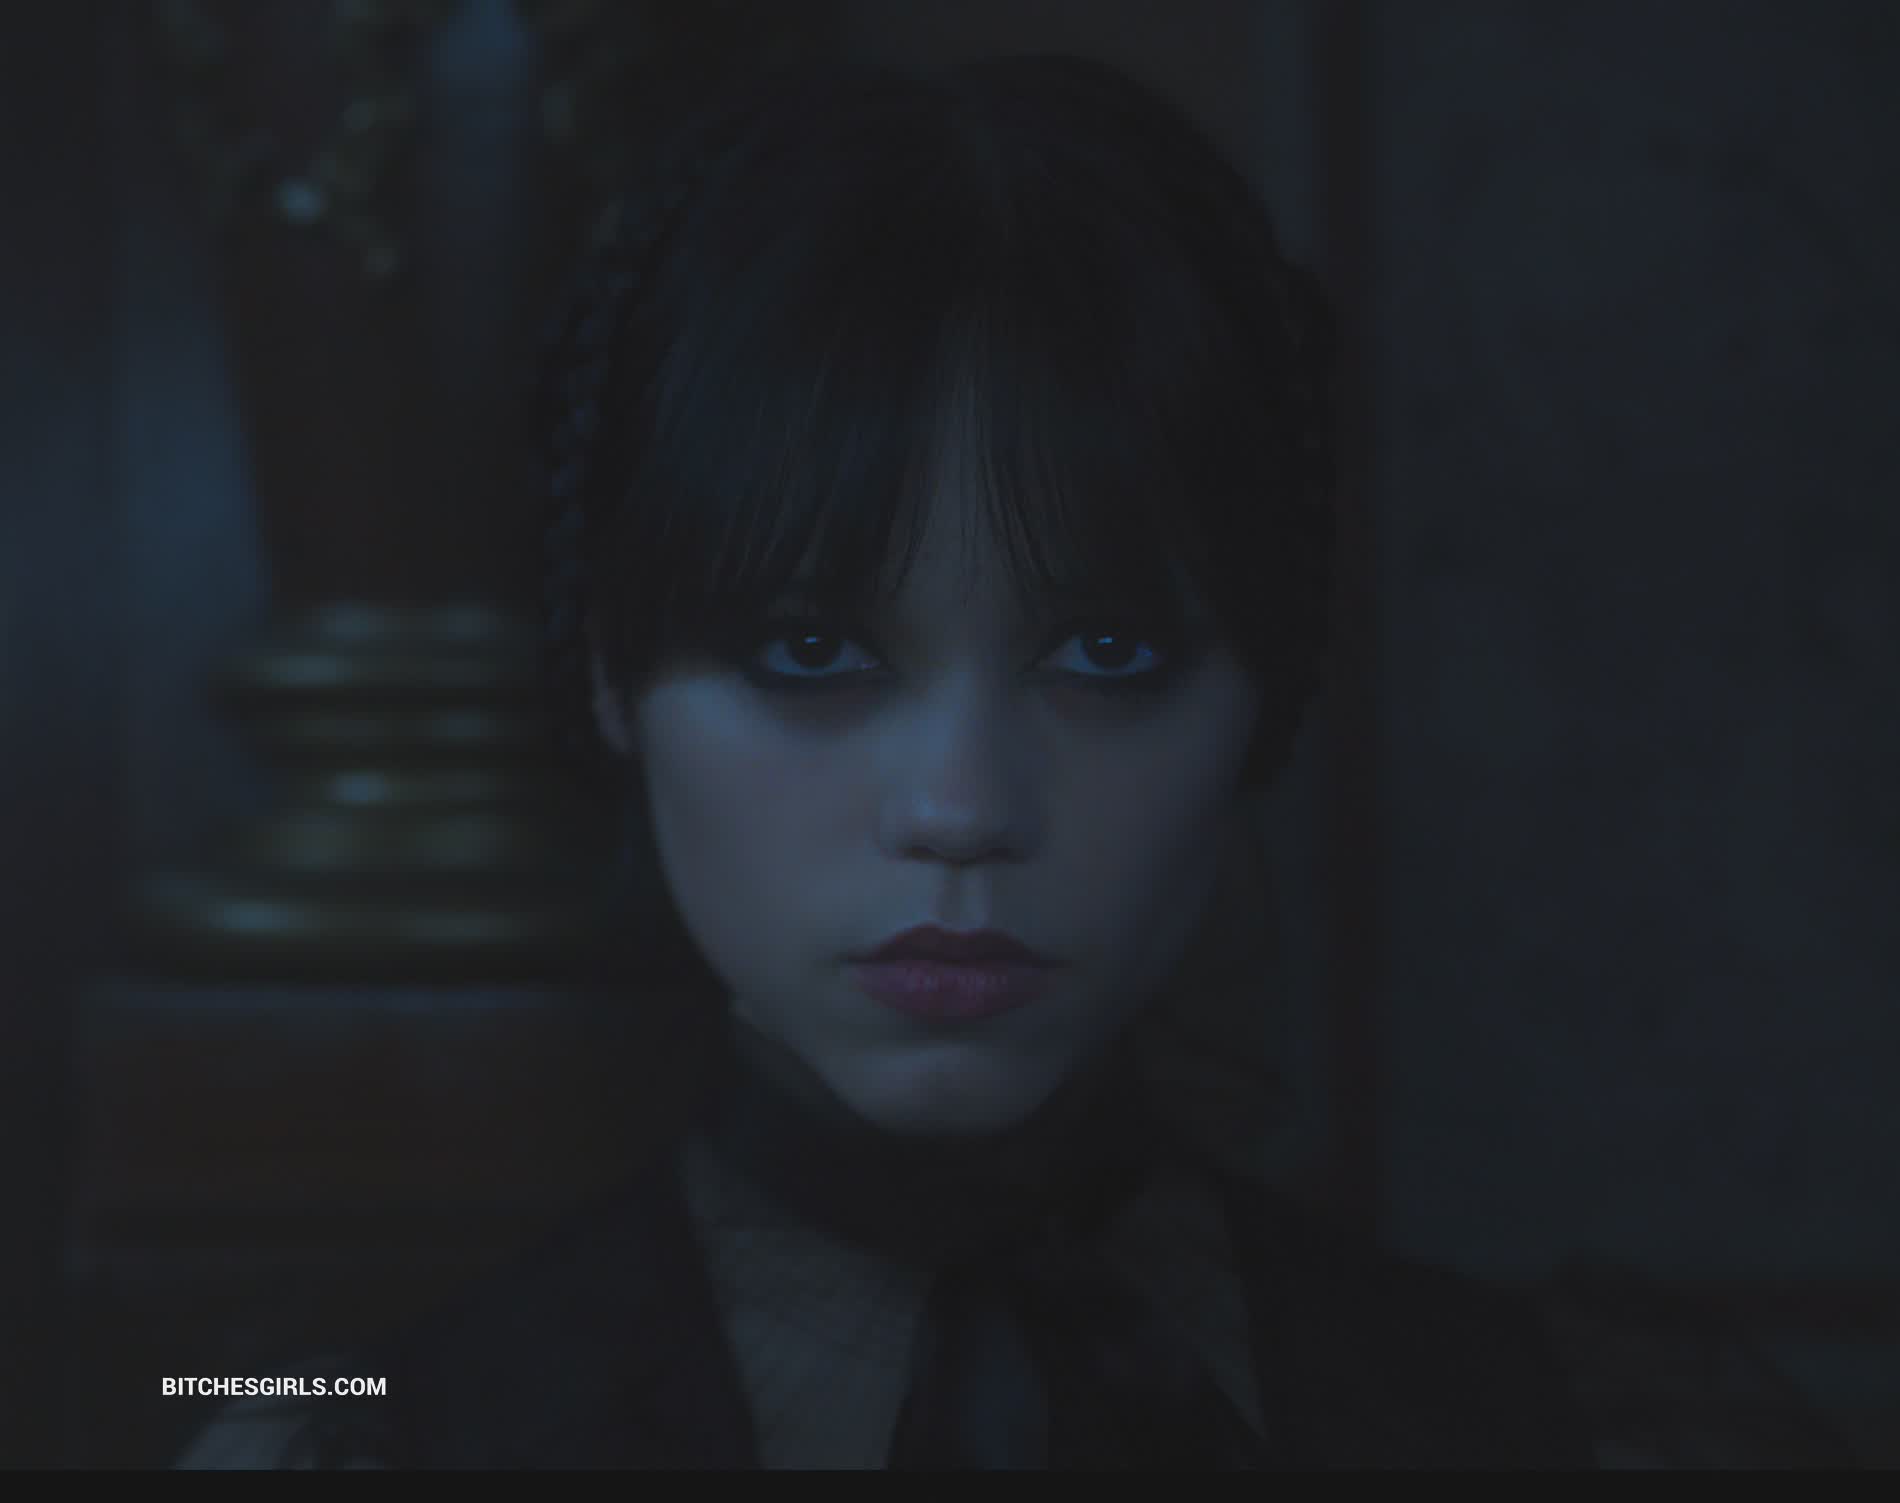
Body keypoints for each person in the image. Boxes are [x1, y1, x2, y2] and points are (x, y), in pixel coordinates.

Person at [177, 51, 1594, 1469]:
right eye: (810, 652)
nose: (960, 810)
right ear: (610, 670)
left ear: (1264, 692)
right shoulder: (358, 1439)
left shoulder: (1523, 1421)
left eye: (1107, 655)